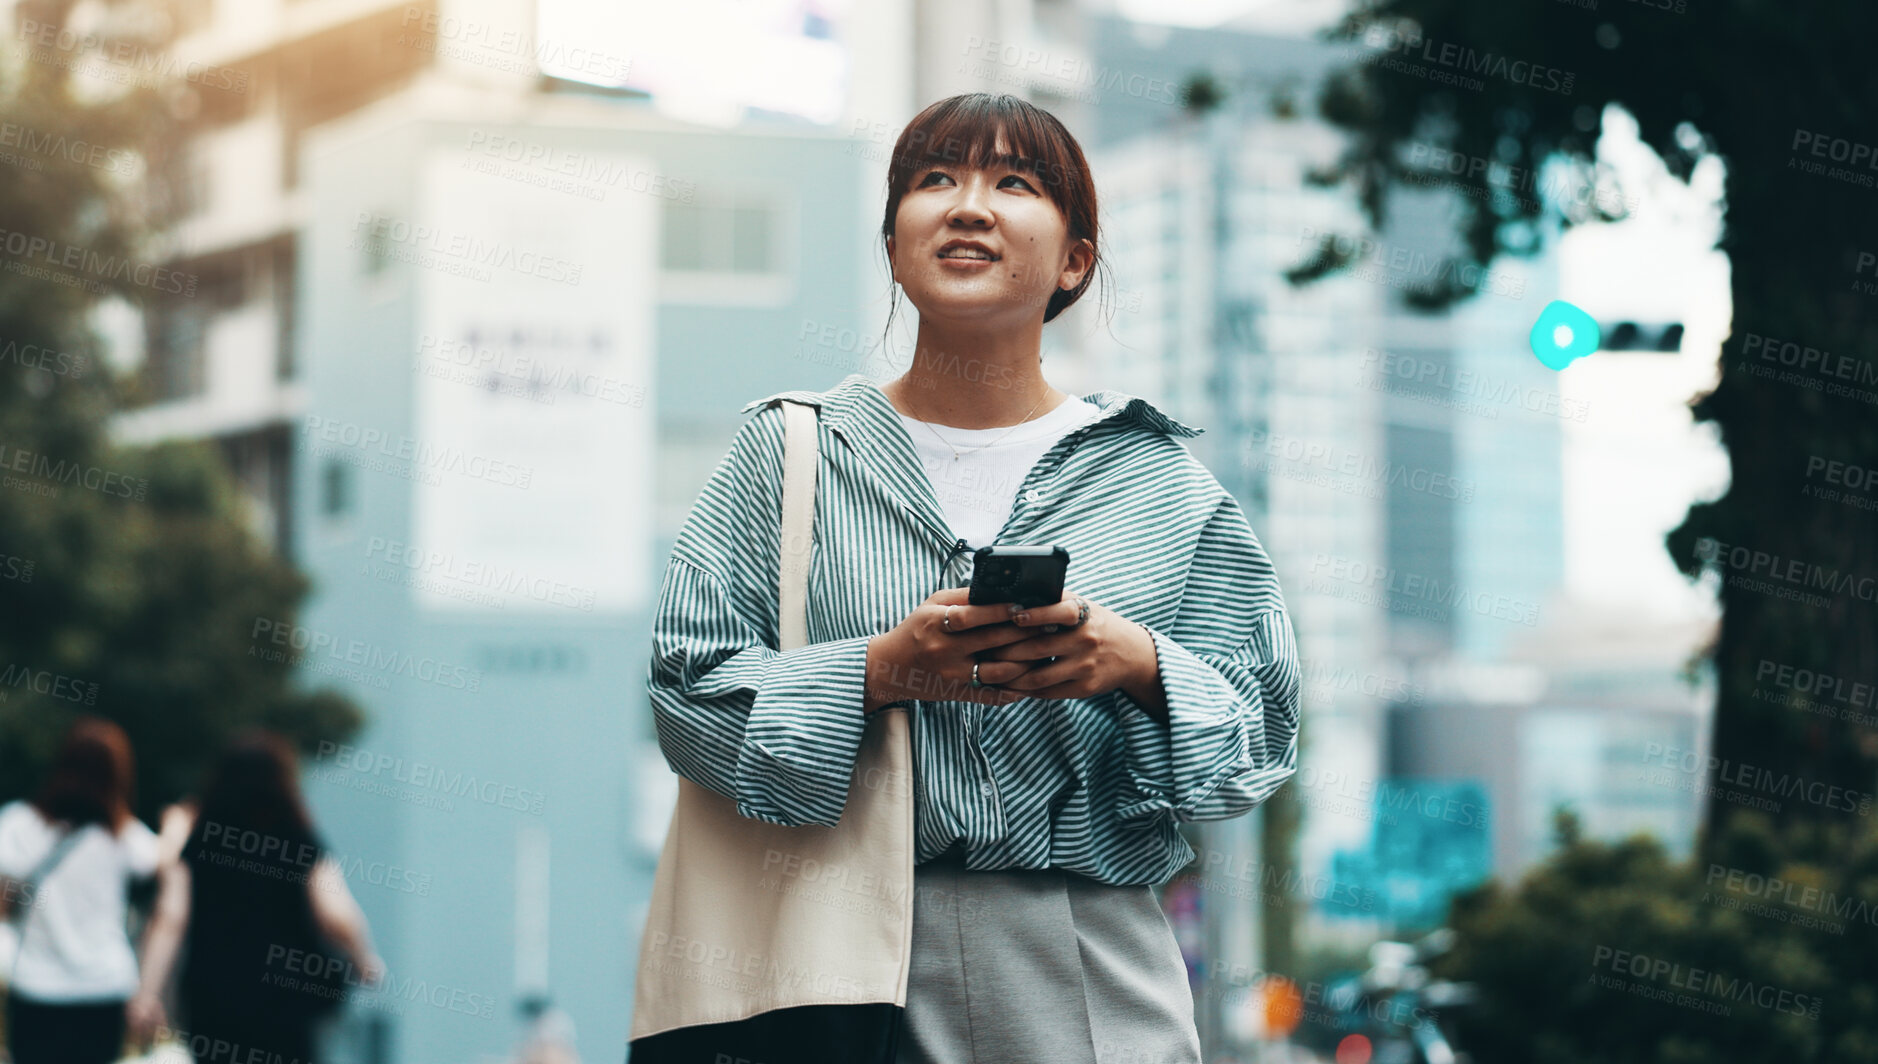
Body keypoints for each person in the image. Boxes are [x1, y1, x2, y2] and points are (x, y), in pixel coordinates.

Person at [645, 93, 1302, 1063]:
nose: (968, 205)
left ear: (1075, 257)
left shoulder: (1160, 482)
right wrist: (879, 670)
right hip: (826, 944)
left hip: (1083, 947)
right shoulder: (789, 453)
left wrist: (1135, 661)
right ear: (894, 237)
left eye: (1015, 183)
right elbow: (683, 696)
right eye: (935, 179)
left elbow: (1264, 733)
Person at [127, 730, 384, 1063]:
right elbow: (334, 914)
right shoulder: (298, 836)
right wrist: (363, 959)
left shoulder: (203, 837)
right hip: (288, 999)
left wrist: (147, 992)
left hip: (214, 998)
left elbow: (171, 918)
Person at [0, 715, 159, 1064]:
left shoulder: (18, 825)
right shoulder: (125, 838)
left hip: (35, 988)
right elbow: (164, 865)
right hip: (103, 989)